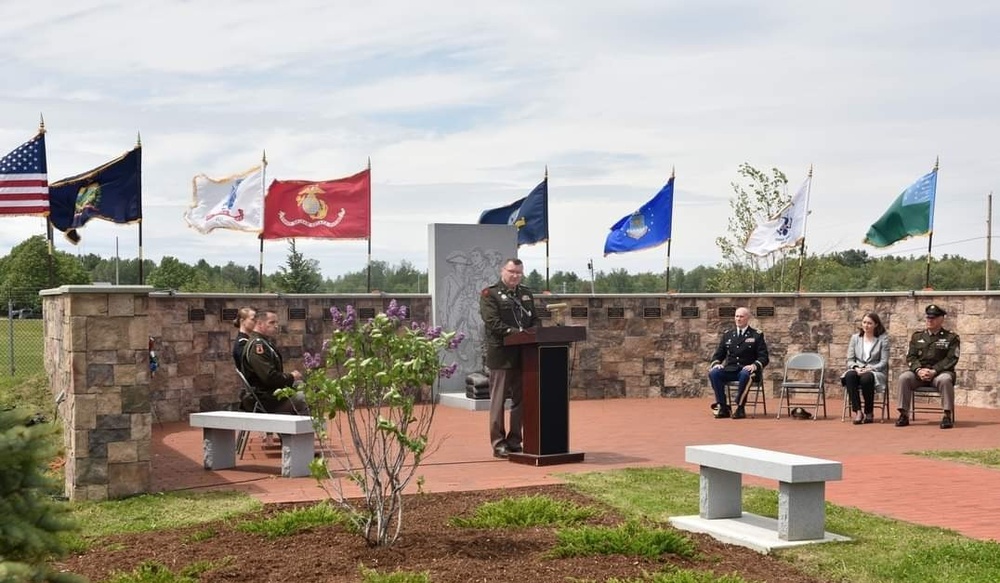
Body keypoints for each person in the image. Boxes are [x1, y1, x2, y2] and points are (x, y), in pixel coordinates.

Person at [479, 257, 537, 458]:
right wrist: (517, 333)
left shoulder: (526, 294)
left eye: (519, 273)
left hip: (525, 355)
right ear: (503, 271)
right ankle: (498, 443)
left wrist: (533, 333)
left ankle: (514, 440)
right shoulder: (490, 294)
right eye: (511, 272)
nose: (515, 276)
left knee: (521, 401)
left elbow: (534, 320)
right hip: (502, 355)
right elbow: (492, 322)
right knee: (498, 401)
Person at [896, 304, 960, 429]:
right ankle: (903, 414)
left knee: (945, 380)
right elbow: (910, 357)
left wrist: (934, 371)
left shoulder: (951, 338)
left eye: (933, 318)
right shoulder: (917, 337)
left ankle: (947, 415)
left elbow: (951, 358)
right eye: (928, 318)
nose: (930, 320)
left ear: (941, 319)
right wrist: (919, 370)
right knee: (904, 378)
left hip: (940, 374)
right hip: (919, 374)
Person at [241, 309, 309, 415]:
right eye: (272, 323)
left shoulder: (264, 342)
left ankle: (294, 430)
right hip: (267, 400)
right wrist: (291, 377)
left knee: (304, 386)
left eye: (276, 322)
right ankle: (301, 431)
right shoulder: (257, 346)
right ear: (259, 324)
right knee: (306, 397)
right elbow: (269, 378)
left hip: (272, 395)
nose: (276, 326)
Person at [708, 307, 769, 419]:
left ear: (747, 318)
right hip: (731, 369)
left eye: (741, 316)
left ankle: (740, 408)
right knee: (714, 373)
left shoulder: (756, 335)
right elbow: (718, 355)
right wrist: (716, 364)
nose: (738, 319)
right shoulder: (728, 335)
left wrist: (754, 365)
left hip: (748, 370)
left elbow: (764, 357)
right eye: (736, 316)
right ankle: (722, 406)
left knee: (745, 374)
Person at [843, 312, 890, 424]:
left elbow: (884, 362)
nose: (866, 325)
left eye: (869, 323)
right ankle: (858, 412)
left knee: (867, 378)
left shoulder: (883, 339)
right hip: (858, 368)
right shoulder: (855, 338)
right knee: (849, 376)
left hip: (874, 371)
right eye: (864, 322)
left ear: (876, 325)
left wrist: (870, 368)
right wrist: (856, 368)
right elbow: (850, 359)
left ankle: (869, 412)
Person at [232, 306, 257, 370]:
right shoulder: (242, 343)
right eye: (253, 319)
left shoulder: (248, 339)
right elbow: (249, 367)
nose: (256, 322)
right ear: (242, 321)